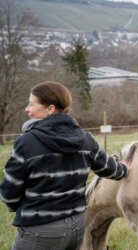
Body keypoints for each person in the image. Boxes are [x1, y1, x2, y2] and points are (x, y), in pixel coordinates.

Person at [0, 81, 128, 250]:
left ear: (50, 109)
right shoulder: (85, 139)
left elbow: (9, 193)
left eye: (31, 104)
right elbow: (111, 169)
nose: (26, 109)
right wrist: (124, 168)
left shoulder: (26, 143)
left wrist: (22, 207)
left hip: (40, 230)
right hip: (77, 227)